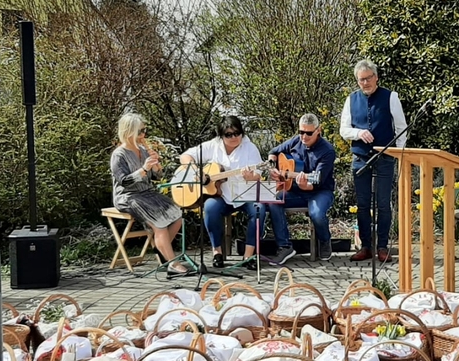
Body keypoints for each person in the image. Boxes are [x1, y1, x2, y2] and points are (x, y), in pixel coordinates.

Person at [340, 59, 407, 263]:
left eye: (368, 78)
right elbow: (344, 130)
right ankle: (366, 246)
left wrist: (399, 154)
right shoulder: (351, 99)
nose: (365, 83)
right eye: (361, 80)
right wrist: (359, 133)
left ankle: (383, 246)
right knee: (362, 204)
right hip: (361, 158)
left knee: (383, 204)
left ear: (376, 77)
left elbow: (401, 128)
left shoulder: (390, 97)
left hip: (385, 156)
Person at [179, 116, 267, 269]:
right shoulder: (212, 145)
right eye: (228, 134)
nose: (234, 137)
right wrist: (197, 171)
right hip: (222, 195)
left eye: (237, 133)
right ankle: (217, 253)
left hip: (245, 195)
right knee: (210, 207)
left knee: (259, 209)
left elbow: (258, 174)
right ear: (221, 135)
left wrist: (250, 177)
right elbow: (185, 156)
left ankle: (249, 256)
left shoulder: (250, 148)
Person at [109, 113, 189, 278]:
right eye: (140, 131)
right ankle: (172, 263)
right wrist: (144, 168)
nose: (143, 135)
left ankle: (162, 250)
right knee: (159, 223)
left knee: (177, 215)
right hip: (128, 196)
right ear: (128, 132)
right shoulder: (119, 155)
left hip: (146, 192)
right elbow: (124, 182)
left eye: (144, 130)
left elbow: (156, 178)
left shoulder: (144, 150)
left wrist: (156, 168)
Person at [265, 113, 336, 265]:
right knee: (273, 200)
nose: (304, 136)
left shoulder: (327, 151)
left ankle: (324, 240)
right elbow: (273, 152)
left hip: (320, 191)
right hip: (295, 190)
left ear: (318, 130)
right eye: (301, 132)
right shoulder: (295, 141)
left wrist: (306, 185)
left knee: (316, 214)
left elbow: (317, 180)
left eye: (309, 133)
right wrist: (273, 168)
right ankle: (285, 246)